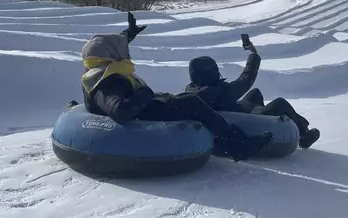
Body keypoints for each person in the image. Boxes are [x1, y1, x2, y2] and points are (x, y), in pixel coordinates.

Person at [79, 12, 273, 162]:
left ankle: (221, 144)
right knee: (192, 103)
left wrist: (128, 35)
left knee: (182, 99)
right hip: (144, 115)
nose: (126, 53)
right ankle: (240, 145)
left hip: (145, 108)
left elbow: (105, 48)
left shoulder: (99, 69)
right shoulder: (106, 81)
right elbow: (120, 111)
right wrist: (145, 94)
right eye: (122, 50)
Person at [184, 39, 321, 149]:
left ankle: (270, 119)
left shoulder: (192, 90)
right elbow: (246, 78)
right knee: (280, 103)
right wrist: (253, 54)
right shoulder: (221, 91)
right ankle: (304, 136)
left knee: (255, 94)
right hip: (245, 118)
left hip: (233, 111)